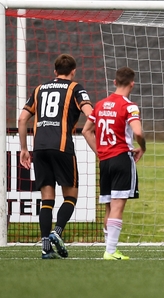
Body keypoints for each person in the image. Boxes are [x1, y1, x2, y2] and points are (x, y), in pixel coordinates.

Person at [17, 54, 93, 259]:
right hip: (62, 147)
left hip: (39, 148)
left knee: (46, 199)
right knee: (71, 195)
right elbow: (90, 113)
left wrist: (24, 148)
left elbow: (22, 118)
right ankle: (56, 233)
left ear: (54, 71)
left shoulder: (39, 89)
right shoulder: (75, 88)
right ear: (73, 71)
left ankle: (45, 248)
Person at [81, 67, 145, 260]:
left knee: (109, 206)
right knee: (118, 205)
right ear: (132, 84)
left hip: (105, 161)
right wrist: (142, 147)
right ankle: (110, 251)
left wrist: (100, 152)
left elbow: (86, 131)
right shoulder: (129, 106)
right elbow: (139, 132)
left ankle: (109, 248)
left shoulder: (99, 105)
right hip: (121, 158)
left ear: (115, 82)